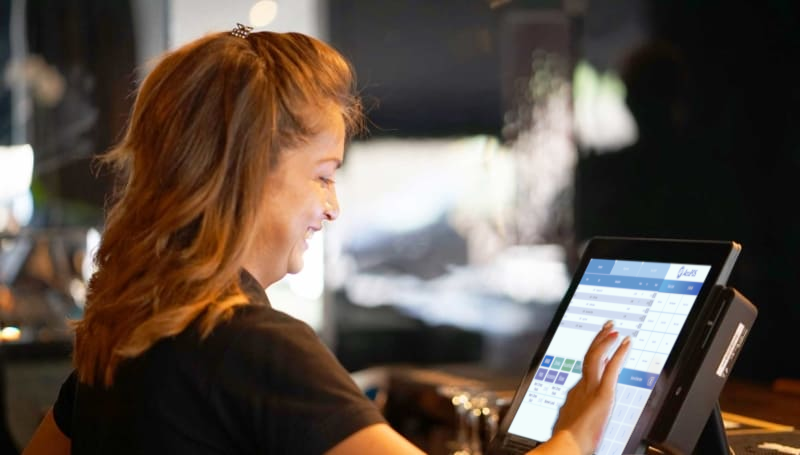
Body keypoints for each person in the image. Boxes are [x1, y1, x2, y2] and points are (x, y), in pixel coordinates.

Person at [22, 26, 629, 455]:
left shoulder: (129, 331)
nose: (332, 208)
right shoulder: (250, 346)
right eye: (323, 175)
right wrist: (576, 433)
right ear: (248, 171)